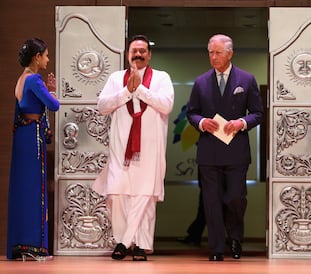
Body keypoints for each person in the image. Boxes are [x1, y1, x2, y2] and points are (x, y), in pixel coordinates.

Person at [92, 35, 174, 261]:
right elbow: (102, 106)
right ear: (128, 54)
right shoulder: (116, 78)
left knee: (144, 196)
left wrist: (140, 90)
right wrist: (127, 91)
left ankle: (137, 245)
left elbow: (166, 105)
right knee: (118, 194)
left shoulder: (161, 77)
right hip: (121, 148)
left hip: (150, 149)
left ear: (149, 54)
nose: (138, 54)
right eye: (134, 51)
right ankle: (125, 240)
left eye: (142, 51)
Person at [186, 34, 264, 261]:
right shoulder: (200, 82)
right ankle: (217, 248)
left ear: (230, 53)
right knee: (211, 202)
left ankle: (236, 238)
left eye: (218, 52)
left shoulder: (246, 79)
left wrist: (242, 123)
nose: (213, 56)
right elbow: (191, 112)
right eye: (210, 52)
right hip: (209, 151)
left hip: (236, 150)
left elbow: (258, 113)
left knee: (235, 198)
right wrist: (202, 122)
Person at [7, 38, 60, 261]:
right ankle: (33, 245)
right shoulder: (35, 79)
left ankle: (20, 243)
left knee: (23, 189)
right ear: (37, 57)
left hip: (22, 136)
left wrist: (46, 92)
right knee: (34, 188)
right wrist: (52, 92)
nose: (47, 59)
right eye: (46, 55)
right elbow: (54, 105)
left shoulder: (21, 79)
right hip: (32, 139)